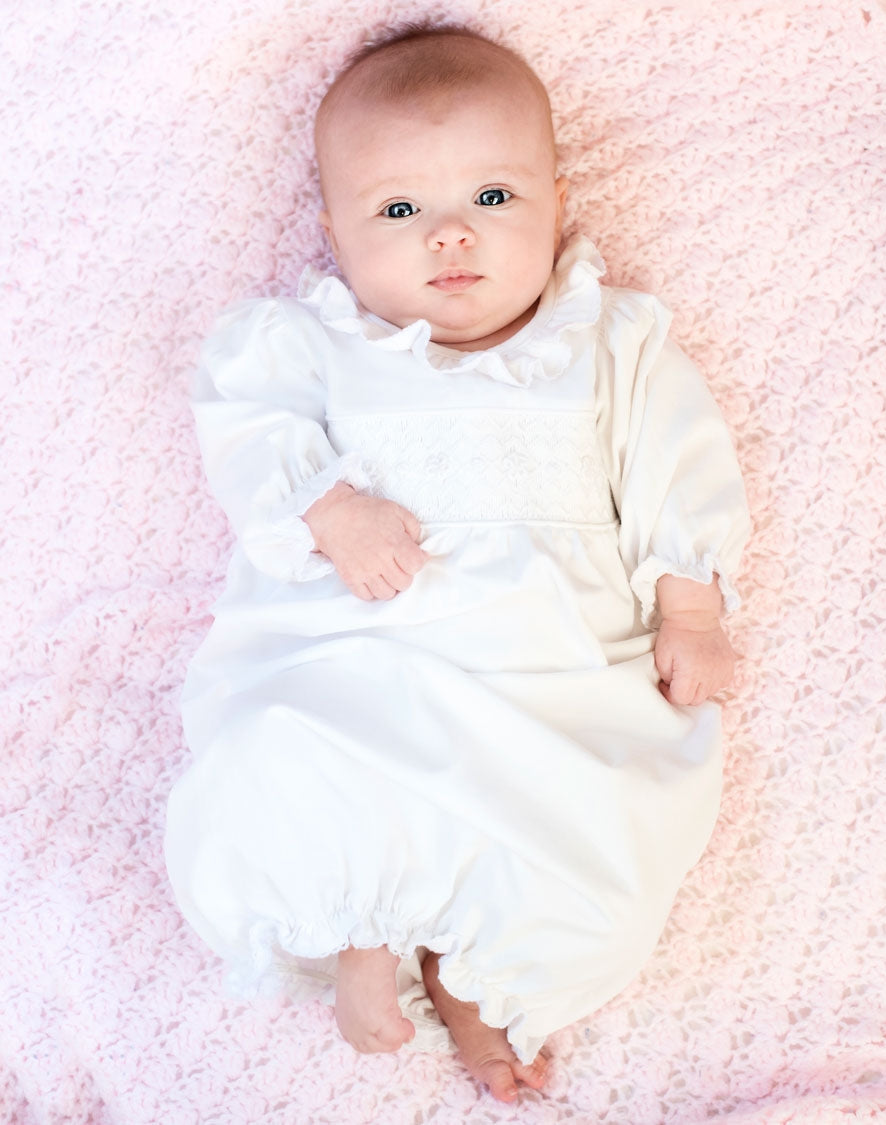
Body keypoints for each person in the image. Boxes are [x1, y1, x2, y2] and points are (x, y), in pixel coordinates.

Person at [165, 24, 750, 1104]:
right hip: (361, 646)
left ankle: (484, 979)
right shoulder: (312, 343)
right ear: (333, 231)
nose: (450, 238)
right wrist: (330, 508)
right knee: (301, 751)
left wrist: (690, 601)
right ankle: (358, 931)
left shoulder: (606, 344)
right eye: (398, 212)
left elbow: (677, 458)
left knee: (591, 815)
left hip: (553, 666)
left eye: (493, 198)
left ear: (558, 201)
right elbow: (241, 422)